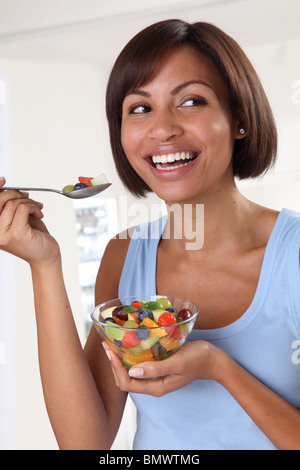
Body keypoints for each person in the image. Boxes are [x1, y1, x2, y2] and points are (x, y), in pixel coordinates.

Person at [0, 19, 300, 450]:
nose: (162, 130)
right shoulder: (124, 256)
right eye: (139, 108)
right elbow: (85, 444)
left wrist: (219, 367)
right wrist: (43, 264)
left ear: (240, 119)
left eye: (192, 101)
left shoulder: (293, 254)